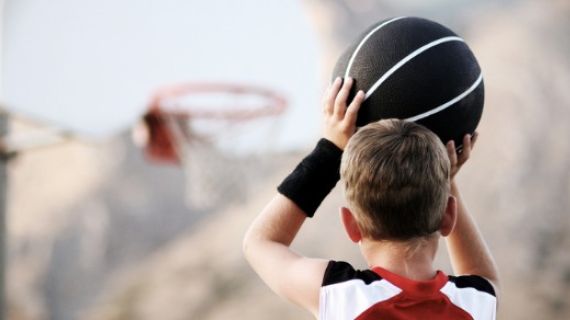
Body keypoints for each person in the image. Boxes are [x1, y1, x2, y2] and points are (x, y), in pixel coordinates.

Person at [243, 77, 499, 319]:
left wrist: (330, 149)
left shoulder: (342, 296)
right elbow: (483, 276)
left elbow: (260, 242)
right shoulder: (473, 303)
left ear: (351, 224)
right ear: (449, 216)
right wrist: (444, 181)